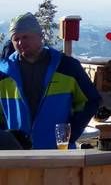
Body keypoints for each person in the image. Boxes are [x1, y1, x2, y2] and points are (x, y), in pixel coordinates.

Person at [0, 12, 101, 149]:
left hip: (58, 151)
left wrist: (71, 133)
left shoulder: (66, 67)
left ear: (40, 36)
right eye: (15, 39)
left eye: (25, 37)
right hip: (17, 152)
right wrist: (6, 138)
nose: (20, 42)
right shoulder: (4, 72)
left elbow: (91, 100)